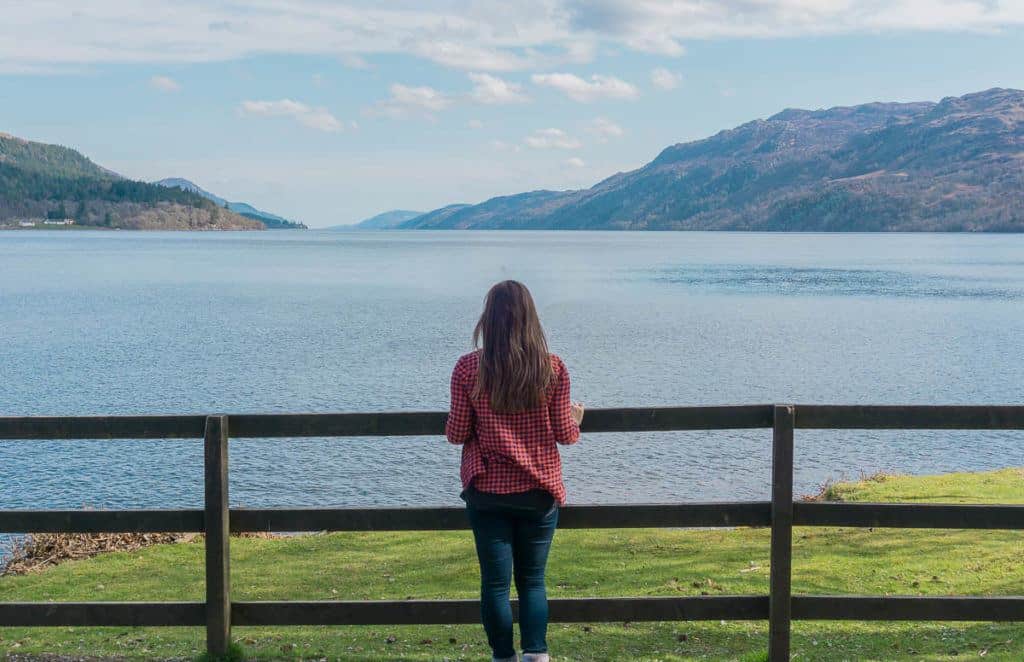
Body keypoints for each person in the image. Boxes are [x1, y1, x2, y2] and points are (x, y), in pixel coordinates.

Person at [446, 280, 584, 662]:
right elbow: (565, 435)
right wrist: (576, 419)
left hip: (488, 492)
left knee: (494, 584)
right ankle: (536, 655)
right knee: (533, 582)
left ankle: (503, 657)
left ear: (488, 319)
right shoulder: (552, 368)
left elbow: (456, 434)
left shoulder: (467, 368)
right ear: (530, 318)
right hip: (538, 492)